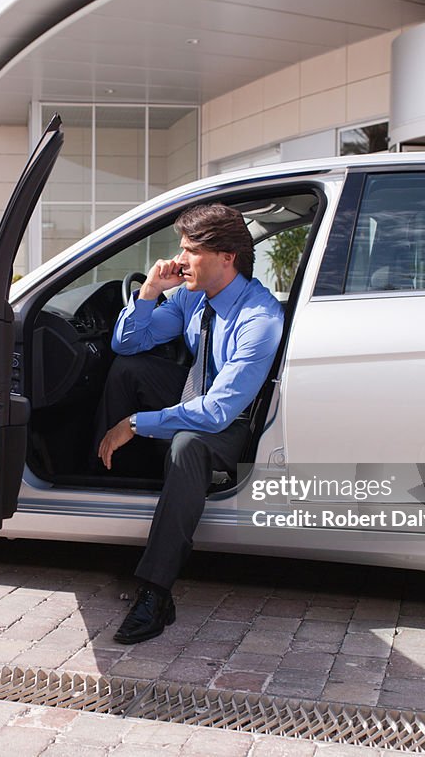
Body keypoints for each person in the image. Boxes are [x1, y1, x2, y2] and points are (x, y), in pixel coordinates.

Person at [95, 203, 284, 644]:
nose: (179, 261)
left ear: (226, 258)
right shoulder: (190, 296)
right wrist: (148, 293)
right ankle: (111, 480)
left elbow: (218, 412)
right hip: (194, 396)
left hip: (232, 422)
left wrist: (136, 424)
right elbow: (128, 344)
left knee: (186, 445)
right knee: (129, 372)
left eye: (190, 251)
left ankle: (156, 593)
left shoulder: (259, 318)